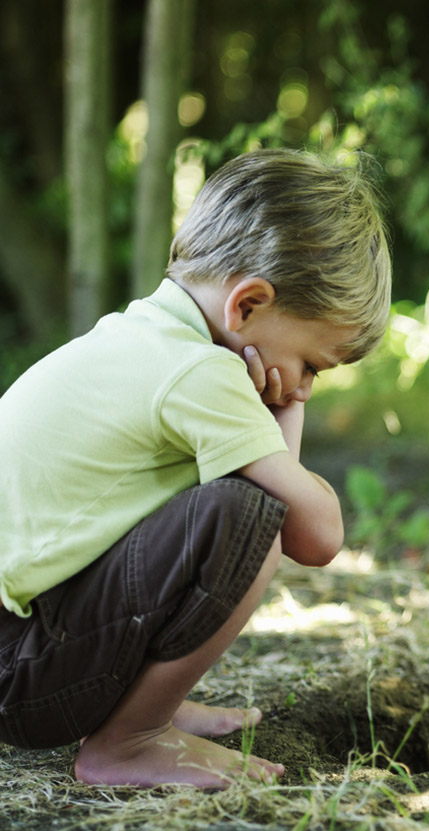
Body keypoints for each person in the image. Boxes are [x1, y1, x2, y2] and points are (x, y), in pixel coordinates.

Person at [0, 148, 392, 789]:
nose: (305, 387)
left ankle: (143, 708)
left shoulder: (139, 338)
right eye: (313, 366)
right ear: (247, 306)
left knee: (224, 496)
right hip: (18, 673)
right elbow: (314, 534)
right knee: (248, 517)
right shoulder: (198, 372)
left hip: (17, 651)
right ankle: (128, 741)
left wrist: (277, 401)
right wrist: (285, 408)